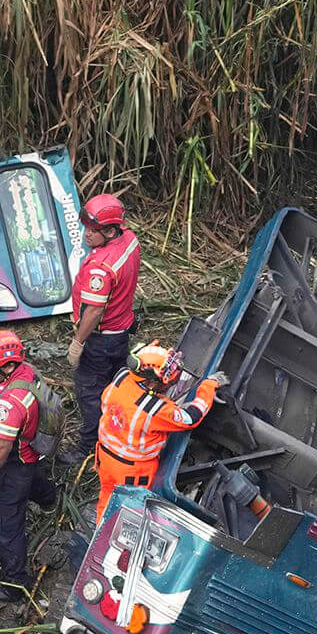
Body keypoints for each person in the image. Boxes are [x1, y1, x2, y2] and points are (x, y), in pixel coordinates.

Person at [0, 331, 61, 603]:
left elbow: (2, 449)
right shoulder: (26, 373)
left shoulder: (11, 403)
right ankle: (50, 498)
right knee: (33, 480)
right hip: (27, 455)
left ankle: (15, 584)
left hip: (13, 463)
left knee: (5, 528)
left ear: (7, 366)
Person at [96, 346, 228, 520]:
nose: (169, 383)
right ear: (151, 382)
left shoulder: (123, 377)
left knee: (107, 497)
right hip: (132, 472)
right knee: (130, 512)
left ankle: (100, 529)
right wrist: (208, 387)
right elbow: (191, 418)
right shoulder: (152, 410)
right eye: (166, 380)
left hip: (105, 458)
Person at [64, 194, 142, 466]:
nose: (86, 234)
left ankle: (89, 447)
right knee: (116, 384)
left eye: (93, 230)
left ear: (110, 230)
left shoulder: (101, 267)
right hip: (121, 332)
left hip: (100, 340)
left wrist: (78, 343)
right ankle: (119, 428)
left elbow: (94, 311)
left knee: (89, 393)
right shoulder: (130, 240)